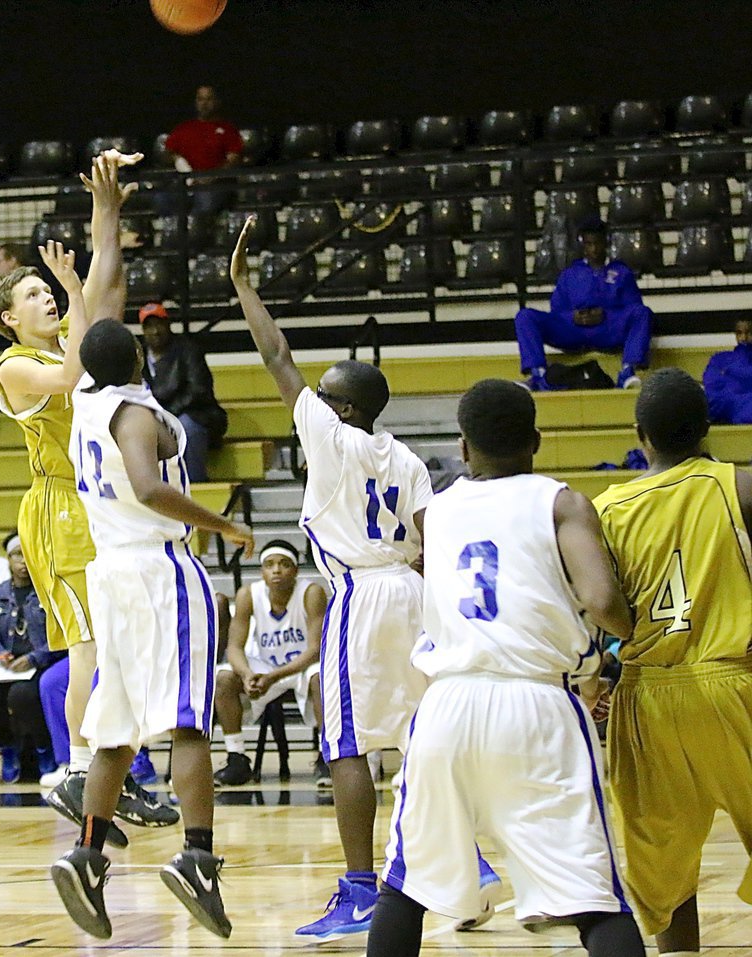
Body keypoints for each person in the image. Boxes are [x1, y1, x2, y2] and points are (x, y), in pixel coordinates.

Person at [365, 379, 645, 957]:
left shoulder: (436, 513)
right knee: (593, 896)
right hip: (537, 704)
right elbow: (603, 602)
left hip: (447, 705)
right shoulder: (560, 501)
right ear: (536, 441)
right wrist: (628, 628)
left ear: (463, 449)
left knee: (405, 884)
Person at [231, 216, 433, 938]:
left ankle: (360, 889)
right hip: (414, 591)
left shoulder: (327, 432)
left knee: (347, 743)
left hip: (361, 595)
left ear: (341, 406)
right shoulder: (407, 457)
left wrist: (243, 286)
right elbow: (431, 544)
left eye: (322, 392)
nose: (307, 397)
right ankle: (462, 857)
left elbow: (276, 350)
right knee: (421, 733)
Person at [0, 150, 170, 840]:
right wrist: (71, 284)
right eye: (34, 295)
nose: (48, 299)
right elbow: (72, 375)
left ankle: (116, 773)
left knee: (117, 641)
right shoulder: (14, 366)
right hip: (57, 507)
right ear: (9, 317)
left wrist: (107, 205)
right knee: (88, 647)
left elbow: (101, 271)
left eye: (46, 292)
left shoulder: (62, 337)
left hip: (95, 502)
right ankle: (77, 768)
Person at [50, 318, 253, 939]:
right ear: (137, 356)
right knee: (187, 719)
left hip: (110, 574)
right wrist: (220, 524)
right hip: (160, 568)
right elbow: (146, 486)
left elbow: (102, 303)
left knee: (117, 725)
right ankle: (197, 856)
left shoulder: (84, 398)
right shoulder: (135, 416)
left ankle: (87, 854)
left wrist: (103, 221)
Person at [593, 368, 752, 955]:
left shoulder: (605, 509)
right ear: (708, 428)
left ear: (641, 436)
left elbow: (598, 605)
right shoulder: (739, 487)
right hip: (734, 683)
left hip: (649, 693)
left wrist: (598, 671)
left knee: (665, 867)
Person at [212, 539, 327, 787]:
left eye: (284, 564)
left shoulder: (311, 593)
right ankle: (237, 757)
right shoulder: (248, 595)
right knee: (223, 678)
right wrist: (245, 675)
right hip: (265, 667)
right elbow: (234, 647)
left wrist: (273, 677)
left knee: (322, 676)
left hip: (302, 667)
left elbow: (316, 650)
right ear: (262, 571)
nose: (276, 570)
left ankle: (326, 757)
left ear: (295, 570)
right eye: (269, 564)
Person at [514, 217, 653, 391]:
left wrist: (606, 315)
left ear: (606, 243)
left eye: (598, 243)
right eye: (589, 244)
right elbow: (556, 311)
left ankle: (627, 371)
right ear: (583, 245)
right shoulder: (570, 273)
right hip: (574, 331)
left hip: (606, 329)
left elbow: (633, 306)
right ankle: (538, 375)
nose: (594, 249)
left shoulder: (621, 272)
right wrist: (572, 317)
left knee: (642, 313)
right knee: (525, 316)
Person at [0, 532, 64, 783]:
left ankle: (44, 749)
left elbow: (62, 638)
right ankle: (7, 747)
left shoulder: (50, 590)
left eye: (28, 555)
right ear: (8, 559)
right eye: (16, 555)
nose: (23, 561)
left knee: (22, 695)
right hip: (6, 665)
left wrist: (34, 658)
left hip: (42, 663)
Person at [138, 302, 228, 483]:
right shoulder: (137, 357)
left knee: (187, 427)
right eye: (149, 326)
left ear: (168, 325)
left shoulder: (188, 350)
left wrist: (168, 415)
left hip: (197, 415)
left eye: (159, 324)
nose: (155, 331)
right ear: (143, 330)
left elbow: (199, 390)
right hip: (156, 418)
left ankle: (195, 484)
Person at [161, 84, 244, 216]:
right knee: (161, 199)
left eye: (208, 99)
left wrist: (211, 177)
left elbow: (233, 159)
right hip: (187, 185)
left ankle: (195, 234)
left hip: (215, 186)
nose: (204, 104)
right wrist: (178, 160)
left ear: (217, 102)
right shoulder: (184, 128)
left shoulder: (228, 130)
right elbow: (167, 154)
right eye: (200, 99)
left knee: (205, 201)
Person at [702, 317, 752, 424]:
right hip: (721, 413)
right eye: (739, 333)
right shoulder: (719, 358)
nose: (743, 338)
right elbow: (710, 386)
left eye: (748, 332)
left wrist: (730, 373)